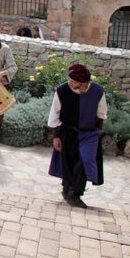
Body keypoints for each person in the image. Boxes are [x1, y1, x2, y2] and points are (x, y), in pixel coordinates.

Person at [47, 64, 107, 209]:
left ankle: (76, 194)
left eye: (73, 81)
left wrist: (97, 133)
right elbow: (55, 113)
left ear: (83, 82)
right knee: (68, 162)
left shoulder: (98, 91)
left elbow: (101, 114)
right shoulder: (62, 90)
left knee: (85, 160)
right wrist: (56, 136)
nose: (70, 83)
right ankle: (67, 189)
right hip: (67, 131)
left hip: (89, 133)